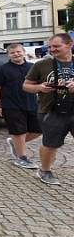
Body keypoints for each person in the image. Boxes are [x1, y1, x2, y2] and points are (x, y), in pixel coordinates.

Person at [23, 33, 73, 186]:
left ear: (70, 44)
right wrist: (39, 87)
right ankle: (45, 171)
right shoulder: (41, 65)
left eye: (56, 46)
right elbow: (25, 86)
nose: (52, 50)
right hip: (51, 111)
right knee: (51, 143)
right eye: (50, 47)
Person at [0, 44, 40, 169]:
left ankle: (14, 142)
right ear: (8, 55)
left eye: (18, 52)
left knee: (38, 130)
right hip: (11, 105)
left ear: (23, 52)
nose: (16, 54)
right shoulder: (2, 69)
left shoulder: (32, 67)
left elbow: (39, 85)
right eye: (12, 53)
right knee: (19, 131)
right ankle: (21, 158)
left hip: (32, 103)